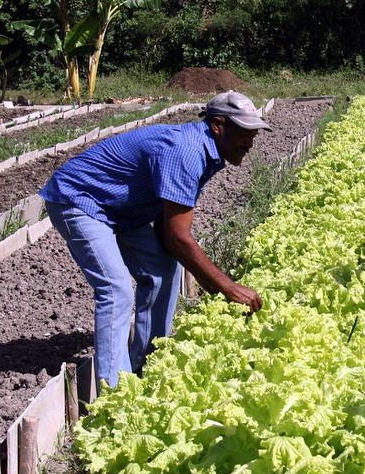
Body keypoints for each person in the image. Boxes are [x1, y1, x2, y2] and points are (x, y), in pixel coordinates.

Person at [40, 90, 267, 388]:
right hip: (81, 200)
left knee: (164, 267)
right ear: (218, 125)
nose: (250, 141)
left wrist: (213, 284)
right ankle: (116, 391)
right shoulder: (186, 150)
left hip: (122, 209)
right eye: (245, 132)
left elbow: (167, 226)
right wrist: (228, 287)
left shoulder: (207, 150)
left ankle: (148, 363)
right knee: (115, 288)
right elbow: (178, 237)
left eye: (254, 132)